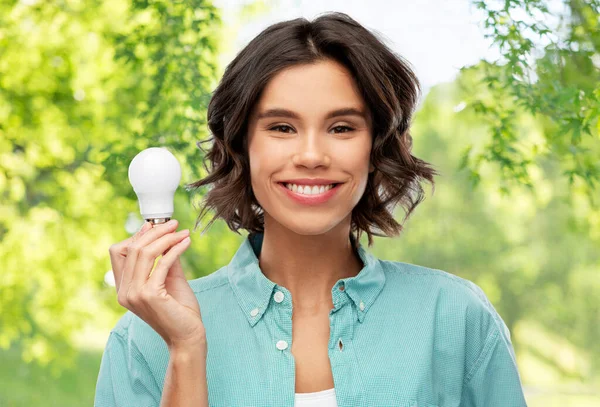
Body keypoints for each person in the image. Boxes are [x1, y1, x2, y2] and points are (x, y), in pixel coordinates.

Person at [94, 11, 528, 407]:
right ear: (242, 145)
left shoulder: (454, 319)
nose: (312, 155)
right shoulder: (145, 339)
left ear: (375, 148)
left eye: (342, 127)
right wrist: (186, 350)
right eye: (282, 127)